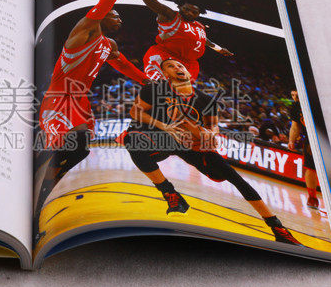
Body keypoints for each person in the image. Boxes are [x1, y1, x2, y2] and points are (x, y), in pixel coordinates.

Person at [122, 57, 302, 246]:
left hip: (191, 143)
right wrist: (164, 126)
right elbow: (135, 112)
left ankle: (278, 228)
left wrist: (211, 134)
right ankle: (169, 193)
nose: (177, 67)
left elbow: (213, 126)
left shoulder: (206, 100)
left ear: (188, 72)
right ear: (165, 74)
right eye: (170, 66)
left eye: (180, 65)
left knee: (235, 177)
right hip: (163, 137)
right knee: (133, 141)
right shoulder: (154, 89)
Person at [35, 0, 147, 237]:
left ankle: (47, 182)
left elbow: (124, 66)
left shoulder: (109, 45)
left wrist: (150, 83)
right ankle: (35, 200)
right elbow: (106, 1)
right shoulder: (84, 30)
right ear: (103, 16)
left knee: (82, 149)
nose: (120, 19)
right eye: (115, 15)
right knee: (55, 149)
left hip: (80, 101)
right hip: (60, 97)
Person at [110, 0, 233, 82]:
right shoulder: (170, 16)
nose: (189, 13)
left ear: (199, 13)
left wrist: (218, 49)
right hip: (165, 57)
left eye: (194, 12)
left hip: (188, 64)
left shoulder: (199, 26)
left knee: (177, 93)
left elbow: (203, 40)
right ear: (180, 6)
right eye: (186, 9)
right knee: (157, 88)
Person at [288, 90, 320, 210]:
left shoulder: (315, 101)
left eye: (297, 95)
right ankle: (312, 197)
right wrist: (291, 140)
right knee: (310, 168)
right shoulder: (296, 106)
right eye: (293, 95)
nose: (295, 97)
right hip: (311, 139)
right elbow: (295, 126)